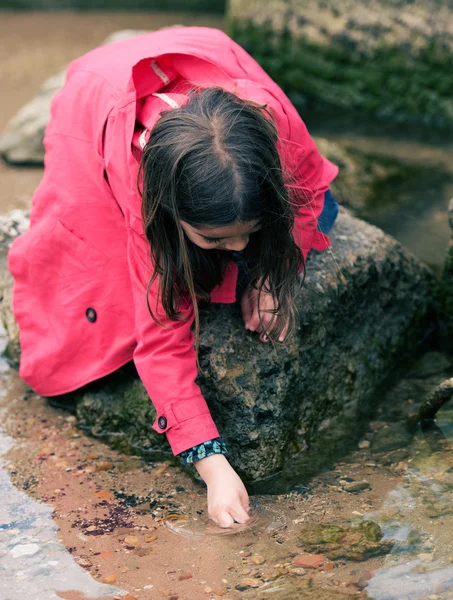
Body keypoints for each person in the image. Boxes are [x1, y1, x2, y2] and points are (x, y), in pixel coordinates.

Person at [7, 26, 339, 528]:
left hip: (204, 55)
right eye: (217, 239)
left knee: (325, 212)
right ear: (168, 216)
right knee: (108, 283)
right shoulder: (146, 195)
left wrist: (273, 274)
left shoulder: (271, 129)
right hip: (98, 97)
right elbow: (162, 338)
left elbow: (307, 195)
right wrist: (213, 466)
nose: (240, 249)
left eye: (250, 232)